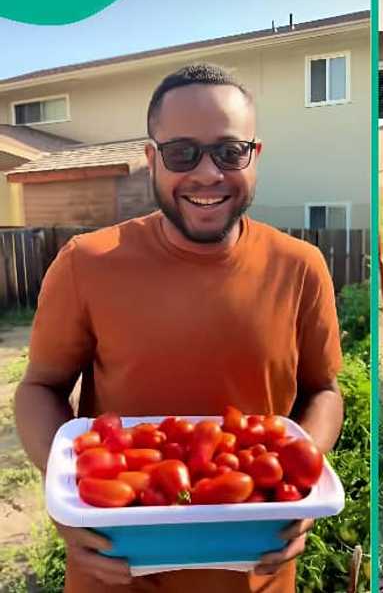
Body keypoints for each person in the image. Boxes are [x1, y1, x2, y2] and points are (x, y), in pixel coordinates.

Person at [13, 63, 345, 593]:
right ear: (152, 160)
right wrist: (69, 502)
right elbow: (40, 388)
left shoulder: (300, 267)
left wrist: (301, 482)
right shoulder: (87, 263)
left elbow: (323, 390)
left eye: (230, 151)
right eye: (181, 152)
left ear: (255, 155)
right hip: (115, 571)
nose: (208, 173)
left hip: (256, 569)